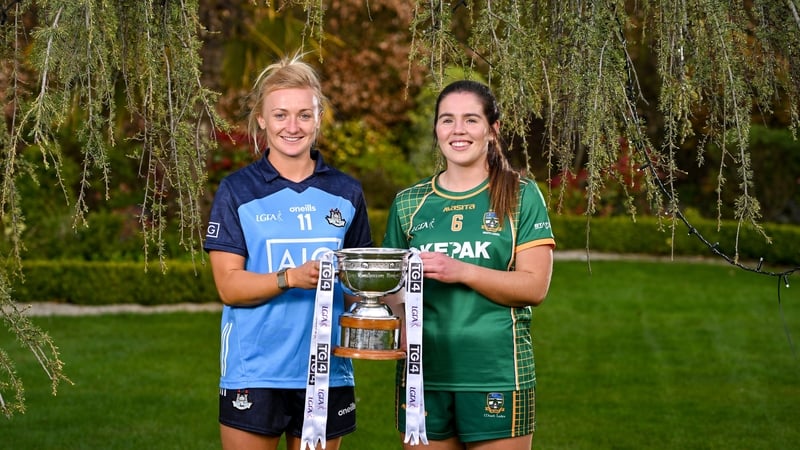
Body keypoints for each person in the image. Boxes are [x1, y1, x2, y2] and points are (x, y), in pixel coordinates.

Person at [203, 54, 373, 450]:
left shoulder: (347, 192)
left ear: (318, 118)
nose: (292, 127)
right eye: (280, 115)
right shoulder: (237, 191)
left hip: (327, 370)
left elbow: (360, 284)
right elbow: (229, 287)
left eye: (304, 115)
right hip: (254, 371)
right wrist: (290, 278)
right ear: (261, 119)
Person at [382, 80, 555, 450]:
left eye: (470, 120)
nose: (457, 130)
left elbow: (534, 287)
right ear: (436, 129)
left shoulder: (520, 194)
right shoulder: (409, 204)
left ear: (492, 130)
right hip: (422, 375)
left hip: (498, 373)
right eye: (447, 120)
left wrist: (461, 270)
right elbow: (390, 290)